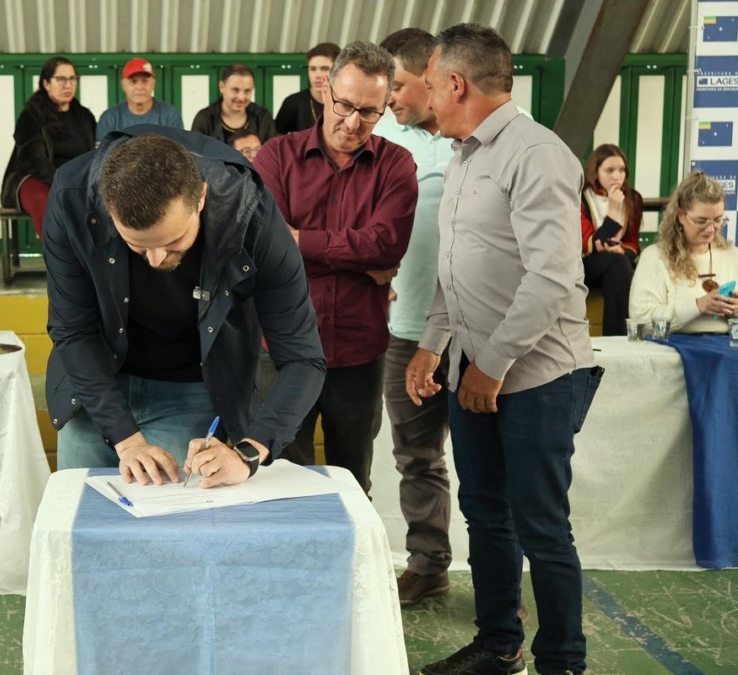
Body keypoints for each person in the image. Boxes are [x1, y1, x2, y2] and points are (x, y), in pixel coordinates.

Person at [407, 24, 597, 675]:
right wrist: (432, 346)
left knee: (540, 522)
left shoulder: (535, 154)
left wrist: (491, 364)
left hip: (536, 376)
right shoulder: (463, 155)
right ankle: (497, 643)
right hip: (472, 371)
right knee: (485, 512)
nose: (428, 96)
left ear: (456, 83)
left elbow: (550, 279)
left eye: (431, 84)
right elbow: (456, 267)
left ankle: (562, 661)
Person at [43, 127, 325, 488]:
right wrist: (127, 441)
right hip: (93, 383)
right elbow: (72, 329)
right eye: (137, 246)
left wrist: (249, 452)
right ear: (106, 207)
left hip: (189, 387)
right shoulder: (73, 196)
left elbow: (304, 358)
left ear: (202, 197)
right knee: (80, 523)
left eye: (173, 241)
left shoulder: (253, 218)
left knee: (168, 528)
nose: (156, 259)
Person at [253, 41, 417, 493]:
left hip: (358, 353)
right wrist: (359, 261)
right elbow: (267, 248)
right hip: (281, 351)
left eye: (368, 111)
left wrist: (301, 240)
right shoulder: (275, 157)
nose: (352, 122)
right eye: (344, 104)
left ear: (385, 107)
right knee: (280, 482)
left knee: (352, 483)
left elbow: (387, 245)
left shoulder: (397, 165)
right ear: (325, 91)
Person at [371, 27, 455, 607]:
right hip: (405, 330)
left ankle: (501, 579)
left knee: (491, 461)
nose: (390, 98)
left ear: (430, 74)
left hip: (473, 331)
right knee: (416, 457)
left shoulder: (471, 136)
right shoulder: (378, 135)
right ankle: (429, 564)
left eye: (397, 84)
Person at [629, 171, 738, 331]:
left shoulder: (732, 255)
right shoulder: (656, 257)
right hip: (673, 348)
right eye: (701, 221)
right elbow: (640, 318)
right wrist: (696, 306)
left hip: (724, 346)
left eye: (717, 220)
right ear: (680, 215)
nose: (710, 229)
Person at [0, 56, 96, 238]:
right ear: (46, 83)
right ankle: (59, 258)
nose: (68, 85)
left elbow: (92, 156)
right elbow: (34, 161)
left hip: (74, 181)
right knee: (46, 201)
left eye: (72, 78)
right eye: (60, 79)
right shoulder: (31, 115)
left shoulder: (84, 117)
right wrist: (66, 186)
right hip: (33, 178)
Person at [581, 144, 642, 335]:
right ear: (595, 172)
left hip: (614, 264)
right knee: (617, 263)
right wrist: (614, 211)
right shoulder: (581, 198)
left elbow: (633, 242)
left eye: (622, 170)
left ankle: (614, 340)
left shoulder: (633, 198)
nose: (617, 176)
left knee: (617, 267)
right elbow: (592, 243)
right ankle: (623, 337)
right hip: (583, 265)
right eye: (609, 170)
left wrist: (622, 250)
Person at [96, 57, 183, 141]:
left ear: (153, 84)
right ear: (123, 85)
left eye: (145, 81)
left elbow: (179, 152)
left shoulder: (170, 115)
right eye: (133, 82)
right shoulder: (109, 118)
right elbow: (102, 154)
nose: (139, 87)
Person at [191, 64, 276, 144]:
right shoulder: (205, 119)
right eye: (235, 90)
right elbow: (194, 154)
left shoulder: (262, 117)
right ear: (221, 87)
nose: (241, 97)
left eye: (247, 91)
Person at [274, 42, 340, 134]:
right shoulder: (293, 103)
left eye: (324, 69)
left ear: (338, 70)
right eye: (313, 69)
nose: (317, 75)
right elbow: (276, 140)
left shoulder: (347, 102)